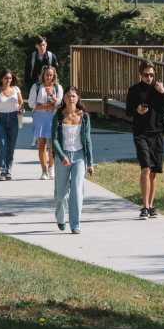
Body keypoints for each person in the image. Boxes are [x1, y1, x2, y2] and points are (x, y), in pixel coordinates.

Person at [124, 60, 164, 220]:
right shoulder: (134, 90)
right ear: (140, 74)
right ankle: (144, 207)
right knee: (146, 167)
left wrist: (163, 92)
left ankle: (151, 206)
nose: (149, 78)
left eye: (152, 75)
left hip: (157, 133)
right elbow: (128, 112)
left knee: (154, 170)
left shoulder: (159, 89)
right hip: (140, 133)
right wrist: (137, 110)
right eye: (146, 75)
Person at [51, 86, 94, 234]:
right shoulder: (58, 115)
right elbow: (54, 140)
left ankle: (75, 224)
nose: (71, 99)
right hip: (62, 156)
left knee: (77, 190)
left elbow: (87, 140)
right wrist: (62, 156)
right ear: (64, 99)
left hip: (79, 156)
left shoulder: (84, 116)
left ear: (78, 98)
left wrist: (90, 162)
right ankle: (61, 218)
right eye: (68, 96)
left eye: (74, 96)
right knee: (61, 194)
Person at [29, 65, 63, 180]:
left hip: (53, 117)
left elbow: (61, 104)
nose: (49, 77)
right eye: (47, 74)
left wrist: (53, 98)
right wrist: (46, 106)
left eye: (51, 75)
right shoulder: (37, 87)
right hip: (39, 117)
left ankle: (51, 167)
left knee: (53, 144)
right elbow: (31, 103)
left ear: (54, 76)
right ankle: (43, 171)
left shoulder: (57, 87)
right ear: (43, 75)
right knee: (42, 144)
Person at [25, 37, 59, 147]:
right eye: (40, 45)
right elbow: (27, 75)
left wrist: (55, 88)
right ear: (36, 45)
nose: (42, 47)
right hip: (37, 88)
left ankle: (50, 137)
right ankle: (36, 136)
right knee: (37, 110)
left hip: (49, 87)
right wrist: (31, 89)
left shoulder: (51, 56)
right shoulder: (32, 57)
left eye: (44, 44)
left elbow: (56, 73)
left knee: (50, 111)